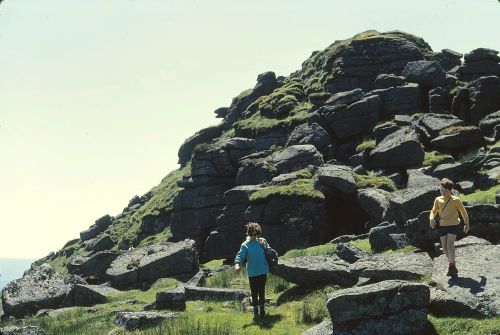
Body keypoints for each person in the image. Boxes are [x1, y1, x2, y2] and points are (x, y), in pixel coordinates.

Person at [429, 178, 470, 277]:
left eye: (445, 191)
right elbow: (433, 211)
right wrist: (431, 219)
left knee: (450, 245)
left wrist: (466, 224)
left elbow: (463, 212)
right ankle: (452, 263)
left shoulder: (456, 200)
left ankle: (451, 266)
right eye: (441, 190)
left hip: (453, 225)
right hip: (442, 226)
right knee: (444, 248)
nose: (442, 192)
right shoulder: (438, 199)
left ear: (450, 190)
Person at [234, 222, 271, 319]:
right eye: (251, 234)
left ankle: (262, 310)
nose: (254, 236)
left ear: (258, 233)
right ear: (248, 233)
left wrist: (271, 252)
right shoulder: (245, 245)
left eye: (256, 234)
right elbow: (240, 256)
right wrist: (237, 265)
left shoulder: (262, 241)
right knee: (254, 292)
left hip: (263, 270)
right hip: (252, 272)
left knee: (262, 291)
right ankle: (255, 311)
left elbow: (270, 251)